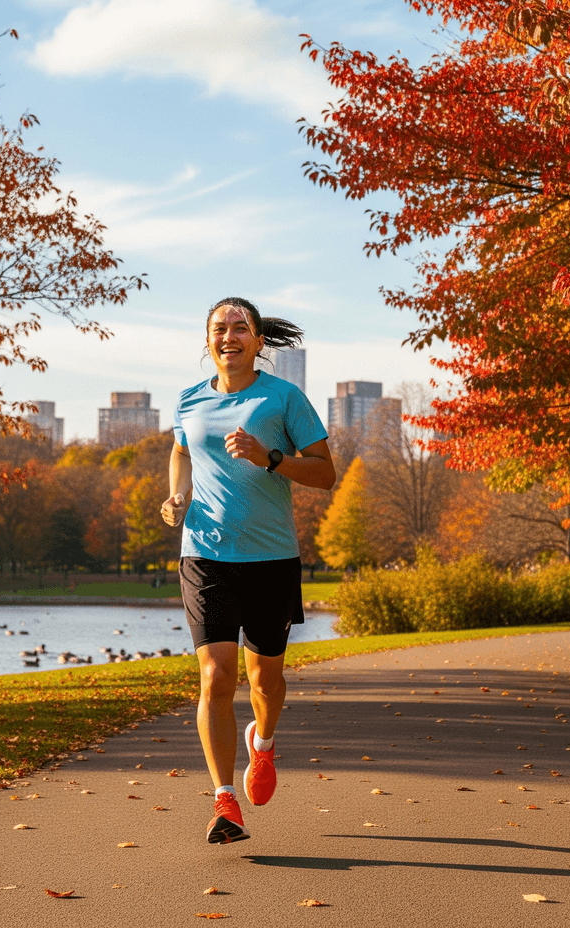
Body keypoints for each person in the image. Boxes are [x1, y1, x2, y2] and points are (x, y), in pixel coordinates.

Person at [161, 298, 336, 844]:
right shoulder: (189, 400)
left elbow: (327, 473)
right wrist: (177, 493)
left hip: (271, 559)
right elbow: (181, 451)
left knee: (267, 680)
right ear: (207, 340)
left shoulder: (284, 398)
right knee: (215, 675)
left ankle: (262, 743)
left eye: (241, 328)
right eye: (219, 328)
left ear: (259, 341)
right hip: (206, 554)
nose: (229, 336)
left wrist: (272, 459)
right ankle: (223, 802)